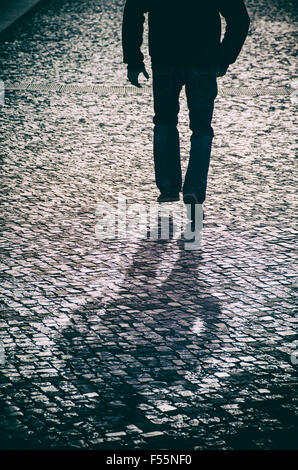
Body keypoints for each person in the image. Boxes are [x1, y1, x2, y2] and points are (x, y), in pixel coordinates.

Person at [122, 0, 250, 220]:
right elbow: (239, 18)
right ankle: (194, 189)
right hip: (203, 58)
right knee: (201, 128)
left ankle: (169, 187)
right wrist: (224, 58)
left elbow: (133, 10)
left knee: (164, 122)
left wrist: (134, 59)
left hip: (165, 55)